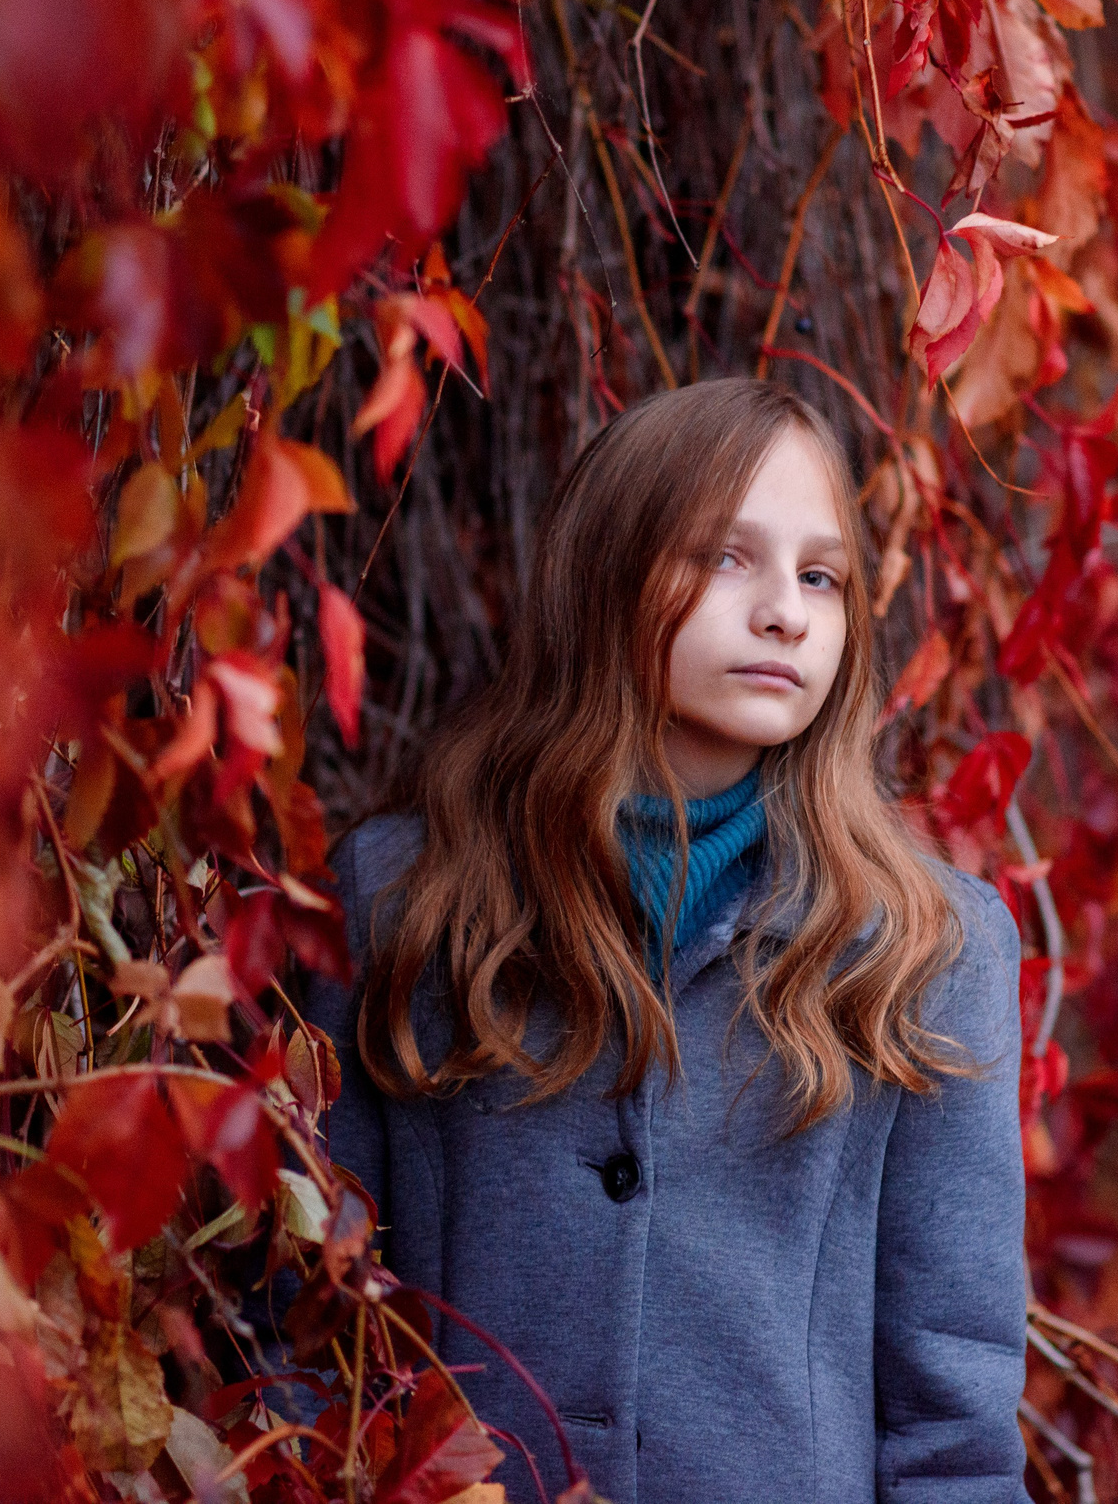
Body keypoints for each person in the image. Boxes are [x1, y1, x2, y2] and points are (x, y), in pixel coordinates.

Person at [304, 378, 1032, 1503]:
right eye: (726, 557)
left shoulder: (928, 949)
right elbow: (304, 1332)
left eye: (821, 576)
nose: (786, 612)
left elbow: (955, 1420)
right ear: (607, 574)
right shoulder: (406, 899)